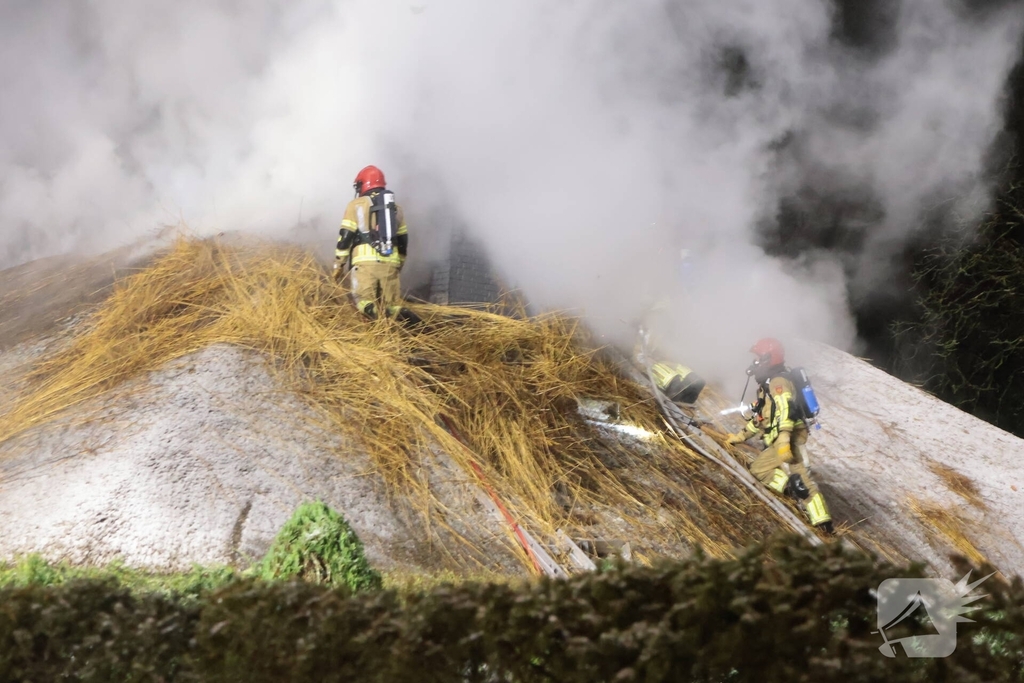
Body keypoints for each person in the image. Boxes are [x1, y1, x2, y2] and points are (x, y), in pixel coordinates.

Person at [726, 337, 834, 534]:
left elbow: (786, 409)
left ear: (769, 358)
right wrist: (741, 436)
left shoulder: (778, 382)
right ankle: (789, 488)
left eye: (758, 358)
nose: (755, 363)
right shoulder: (766, 386)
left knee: (802, 480)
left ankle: (824, 524)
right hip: (779, 440)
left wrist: (784, 437)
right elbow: (762, 417)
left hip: (791, 437)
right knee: (759, 470)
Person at [333, 165, 419, 324]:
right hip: (391, 265)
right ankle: (413, 321)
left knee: (363, 302)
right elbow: (403, 242)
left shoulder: (356, 205)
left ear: (363, 184)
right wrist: (397, 266)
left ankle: (379, 322)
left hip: (365, 266)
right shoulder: (396, 209)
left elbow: (345, 237)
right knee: (390, 307)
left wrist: (338, 265)